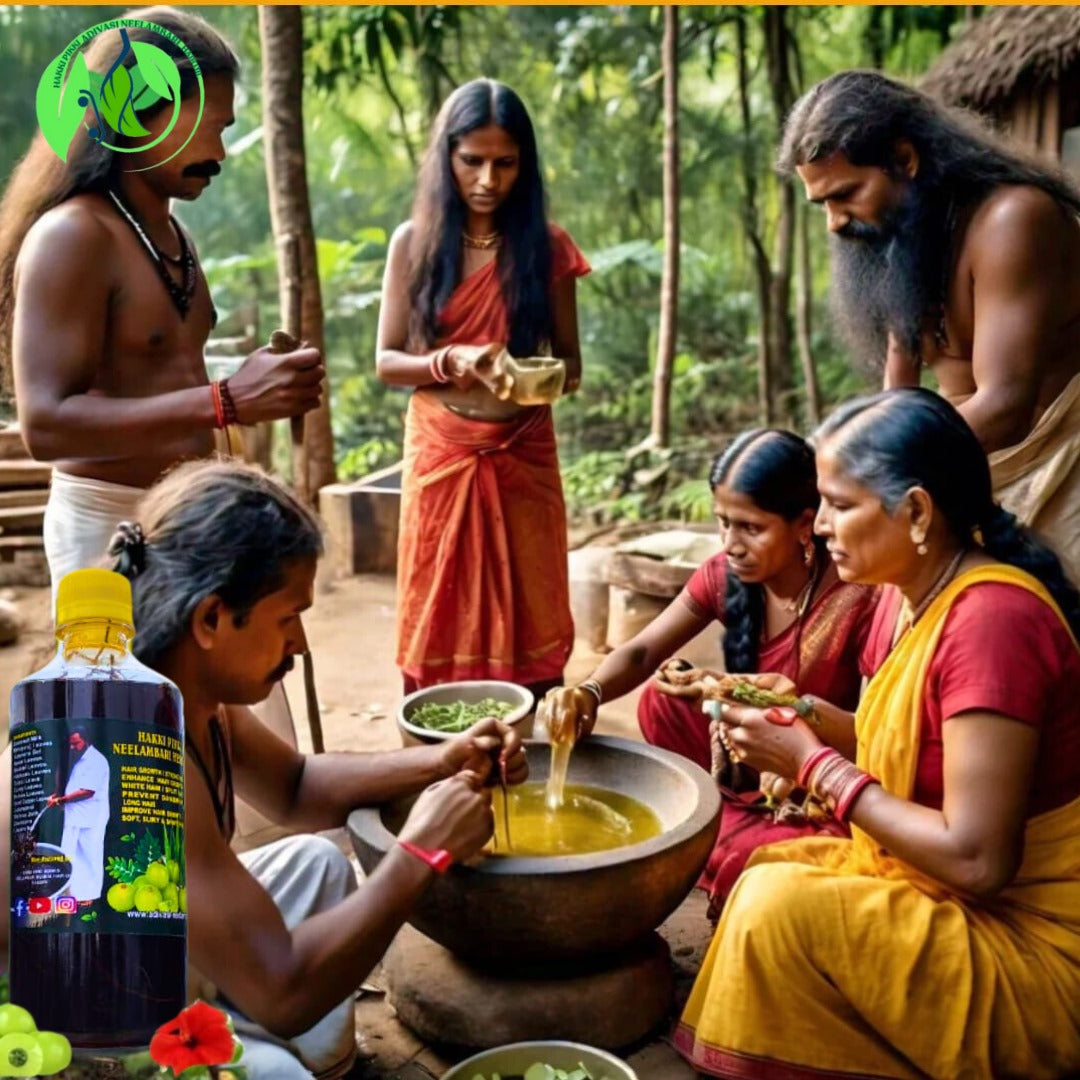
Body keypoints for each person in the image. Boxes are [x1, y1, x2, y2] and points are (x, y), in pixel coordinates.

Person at [0, 460, 527, 1080]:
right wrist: (422, 854)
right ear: (212, 618)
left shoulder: (185, 690)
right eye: (288, 618)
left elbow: (295, 788)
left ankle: (309, 1058)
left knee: (319, 865)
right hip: (57, 1027)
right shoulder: (129, 759)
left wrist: (438, 760)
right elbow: (283, 991)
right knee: (275, 1071)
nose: (300, 643)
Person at [674, 387, 1080, 1080]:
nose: (822, 527)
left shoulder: (993, 625)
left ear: (917, 511)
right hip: (944, 886)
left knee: (779, 910)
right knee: (764, 873)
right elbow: (905, 743)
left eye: (840, 504)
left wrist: (811, 767)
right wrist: (800, 712)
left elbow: (980, 862)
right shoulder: (906, 596)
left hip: (1031, 941)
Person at [0, 6, 324, 600]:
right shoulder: (73, 235)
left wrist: (263, 388)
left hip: (194, 521)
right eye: (210, 129)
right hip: (107, 531)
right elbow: (43, 425)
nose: (221, 155)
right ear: (138, 115)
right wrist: (226, 401)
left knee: (247, 692)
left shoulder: (167, 232)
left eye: (225, 131)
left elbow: (167, 380)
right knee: (129, 699)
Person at [538, 429, 878, 914]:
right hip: (749, 762)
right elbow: (642, 652)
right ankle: (730, 826)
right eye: (723, 524)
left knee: (749, 857)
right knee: (663, 701)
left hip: (813, 777)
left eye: (750, 528)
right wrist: (587, 692)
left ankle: (725, 836)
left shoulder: (856, 596)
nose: (731, 544)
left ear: (805, 524)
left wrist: (796, 722)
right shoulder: (725, 574)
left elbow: (875, 734)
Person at [778, 70, 1080, 579]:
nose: (833, 221)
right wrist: (832, 465)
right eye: (822, 203)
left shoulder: (1013, 219)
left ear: (904, 160)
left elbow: (1007, 404)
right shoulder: (903, 237)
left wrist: (874, 466)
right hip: (951, 468)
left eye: (845, 194)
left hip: (1058, 472)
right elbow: (898, 398)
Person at [376, 78, 590, 698]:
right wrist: (451, 362)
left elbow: (571, 365)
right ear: (446, 157)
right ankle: (438, 749)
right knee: (438, 598)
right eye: (472, 161)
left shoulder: (547, 248)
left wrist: (535, 378)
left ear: (525, 164)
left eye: (506, 163)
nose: (489, 180)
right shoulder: (413, 244)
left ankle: (534, 742)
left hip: (522, 452)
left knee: (533, 599)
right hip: (442, 451)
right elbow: (389, 361)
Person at [49, 727, 110, 903]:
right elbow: (74, 786)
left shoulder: (96, 760)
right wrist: (56, 795)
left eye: (76, 743)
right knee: (69, 855)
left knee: (91, 855)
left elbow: (87, 791)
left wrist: (61, 800)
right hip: (76, 817)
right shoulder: (80, 760)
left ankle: (88, 896)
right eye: (71, 744)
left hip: (91, 818)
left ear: (86, 740)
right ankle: (70, 894)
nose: (73, 747)